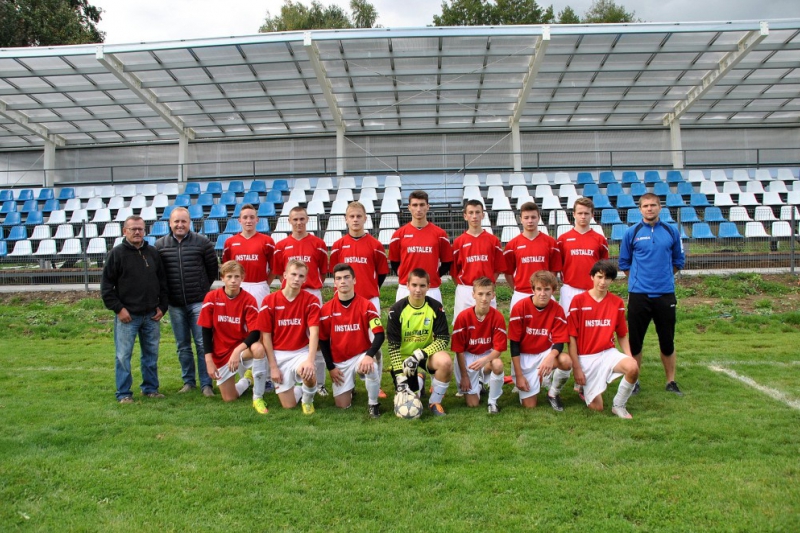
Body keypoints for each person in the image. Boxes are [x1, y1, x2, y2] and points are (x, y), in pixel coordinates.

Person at [618, 192, 685, 396]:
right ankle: (633, 381)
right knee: (636, 342)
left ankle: (671, 381)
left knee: (667, 341)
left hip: (665, 295)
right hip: (639, 296)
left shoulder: (671, 231)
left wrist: (662, 277)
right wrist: (640, 281)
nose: (649, 208)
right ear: (640, 209)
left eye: (653, 205)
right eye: (645, 206)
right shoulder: (632, 232)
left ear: (660, 207)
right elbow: (624, 263)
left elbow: (678, 261)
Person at [101, 215, 169, 403]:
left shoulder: (153, 252)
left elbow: (163, 282)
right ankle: (124, 393)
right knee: (123, 356)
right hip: (127, 316)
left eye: (140, 229)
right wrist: (119, 309)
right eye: (133, 229)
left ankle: (150, 389)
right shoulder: (116, 254)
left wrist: (163, 307)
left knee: (151, 355)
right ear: (125, 231)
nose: (137, 232)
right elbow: (106, 287)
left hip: (151, 315)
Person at [328, 200, 389, 399]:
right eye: (351, 216)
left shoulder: (375, 245)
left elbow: (381, 273)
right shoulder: (338, 246)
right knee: (345, 341)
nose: (355, 220)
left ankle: (376, 383)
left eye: (359, 216)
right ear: (346, 219)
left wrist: (369, 288)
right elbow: (335, 273)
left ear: (365, 219)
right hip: (344, 303)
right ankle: (349, 382)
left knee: (374, 343)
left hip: (369, 301)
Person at [155, 206, 218, 397]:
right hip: (175, 304)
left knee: (202, 344)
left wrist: (200, 288)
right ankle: (188, 382)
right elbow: (160, 275)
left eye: (184, 221)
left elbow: (212, 270)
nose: (180, 225)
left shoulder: (203, 243)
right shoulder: (160, 245)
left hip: (198, 303)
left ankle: (206, 384)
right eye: (176, 221)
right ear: (170, 223)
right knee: (182, 345)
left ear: (190, 223)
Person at [568, 260, 639, 419]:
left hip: (607, 353)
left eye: (607, 278)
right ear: (592, 277)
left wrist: (629, 356)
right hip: (586, 357)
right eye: (599, 277)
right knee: (597, 407)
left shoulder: (617, 302)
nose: (603, 282)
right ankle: (584, 388)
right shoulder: (578, 301)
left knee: (633, 367)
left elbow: (622, 334)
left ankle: (619, 405)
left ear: (612, 280)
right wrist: (577, 367)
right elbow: (571, 337)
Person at [197, 261, 268, 413]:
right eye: (229, 277)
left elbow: (255, 332)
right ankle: (247, 379)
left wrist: (237, 351)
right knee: (229, 398)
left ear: (242, 278)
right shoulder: (211, 297)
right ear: (222, 278)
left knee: (258, 348)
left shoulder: (248, 299)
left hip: (242, 348)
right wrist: (209, 361)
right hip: (221, 352)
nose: (233, 280)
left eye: (237, 276)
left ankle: (258, 396)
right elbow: (206, 331)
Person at [272, 205, 329, 396]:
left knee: (316, 337)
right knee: (290, 334)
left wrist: (310, 284)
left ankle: (319, 383)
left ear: (307, 220)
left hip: (312, 294)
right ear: (289, 221)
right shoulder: (281, 246)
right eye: (295, 219)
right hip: (289, 296)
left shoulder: (318, 243)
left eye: (302, 219)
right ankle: (290, 375)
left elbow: (322, 271)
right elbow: (279, 272)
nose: (299, 223)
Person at [319, 264, 385, 418]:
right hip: (340, 361)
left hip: (361, 355)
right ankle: (350, 387)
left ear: (354, 280)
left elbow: (380, 334)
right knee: (342, 405)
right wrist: (331, 367)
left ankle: (373, 404)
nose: (343, 281)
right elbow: (323, 341)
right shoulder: (326, 309)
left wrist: (369, 355)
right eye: (338, 278)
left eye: (346, 277)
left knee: (371, 366)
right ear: (335, 282)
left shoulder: (367, 305)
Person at [386, 268, 453, 416]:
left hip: (424, 355)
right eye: (414, 285)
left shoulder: (436, 307)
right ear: (407, 285)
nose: (418, 290)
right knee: (411, 401)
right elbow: (393, 347)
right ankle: (419, 380)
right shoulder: (396, 310)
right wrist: (399, 376)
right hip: (404, 360)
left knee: (446, 362)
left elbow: (443, 339)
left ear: (428, 286)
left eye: (422, 285)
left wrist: (419, 355)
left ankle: (435, 402)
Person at [258, 260, 321, 414]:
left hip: (300, 352)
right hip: (279, 354)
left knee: (308, 372)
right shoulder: (269, 301)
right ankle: (299, 388)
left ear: (305, 279)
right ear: (285, 275)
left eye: (301, 276)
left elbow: (314, 333)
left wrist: (310, 361)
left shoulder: (311, 300)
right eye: (293, 274)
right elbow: (266, 336)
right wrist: (273, 367)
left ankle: (307, 401)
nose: (296, 279)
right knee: (289, 406)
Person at [507, 270, 572, 411]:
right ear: (533, 290)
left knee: (566, 361)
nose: (543, 293)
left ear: (553, 291)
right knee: (530, 406)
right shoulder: (520, 307)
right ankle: (532, 380)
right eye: (539, 289)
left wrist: (550, 357)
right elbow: (514, 345)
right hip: (524, 357)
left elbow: (559, 341)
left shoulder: (557, 309)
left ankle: (553, 393)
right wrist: (519, 375)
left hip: (544, 353)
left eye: (547, 289)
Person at [451, 277, 507, 414]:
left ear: (493, 295)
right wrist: (464, 376)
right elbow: (458, 350)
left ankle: (492, 402)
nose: (484, 298)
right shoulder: (463, 317)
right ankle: (480, 383)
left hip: (487, 355)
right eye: (480, 294)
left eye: (488, 294)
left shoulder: (498, 317)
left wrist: (485, 360)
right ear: (473, 295)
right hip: (467, 357)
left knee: (498, 364)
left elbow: (499, 349)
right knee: (473, 404)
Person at [388, 190, 452, 304]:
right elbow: (394, 262)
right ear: (409, 207)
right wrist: (404, 275)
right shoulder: (398, 235)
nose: (418, 209)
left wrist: (434, 275)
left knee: (434, 316)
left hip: (431, 288)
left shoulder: (440, 234)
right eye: (415, 205)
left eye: (422, 205)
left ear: (428, 207)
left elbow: (447, 262)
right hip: (406, 288)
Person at [451, 199, 506, 322]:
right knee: (463, 325)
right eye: (471, 213)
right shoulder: (459, 242)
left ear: (483, 215)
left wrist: (488, 284)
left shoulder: (493, 240)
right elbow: (454, 272)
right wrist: (464, 286)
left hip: (486, 290)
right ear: (465, 216)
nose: (474, 216)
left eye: (477, 212)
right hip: (465, 290)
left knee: (488, 325)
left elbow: (498, 268)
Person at [503, 201, 562, 310]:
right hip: (521, 293)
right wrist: (517, 287)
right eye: (526, 218)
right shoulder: (512, 245)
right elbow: (508, 273)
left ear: (538, 218)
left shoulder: (550, 243)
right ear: (520, 219)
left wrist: (547, 287)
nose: (530, 221)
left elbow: (554, 270)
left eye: (533, 217)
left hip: (544, 293)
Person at [556, 197, 609, 316]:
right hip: (569, 289)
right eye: (580, 213)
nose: (583, 216)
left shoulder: (600, 240)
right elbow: (558, 265)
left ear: (592, 215)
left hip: (593, 289)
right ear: (574, 214)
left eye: (586, 213)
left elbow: (604, 267)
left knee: (592, 323)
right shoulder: (563, 240)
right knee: (569, 323)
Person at [221, 203, 275, 307]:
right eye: (245, 217)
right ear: (239, 220)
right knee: (237, 316)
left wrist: (265, 284)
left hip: (259, 286)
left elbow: (274, 268)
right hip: (237, 286)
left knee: (259, 316)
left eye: (252, 217)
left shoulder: (267, 241)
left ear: (257, 220)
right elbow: (226, 268)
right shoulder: (230, 242)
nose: (248, 221)